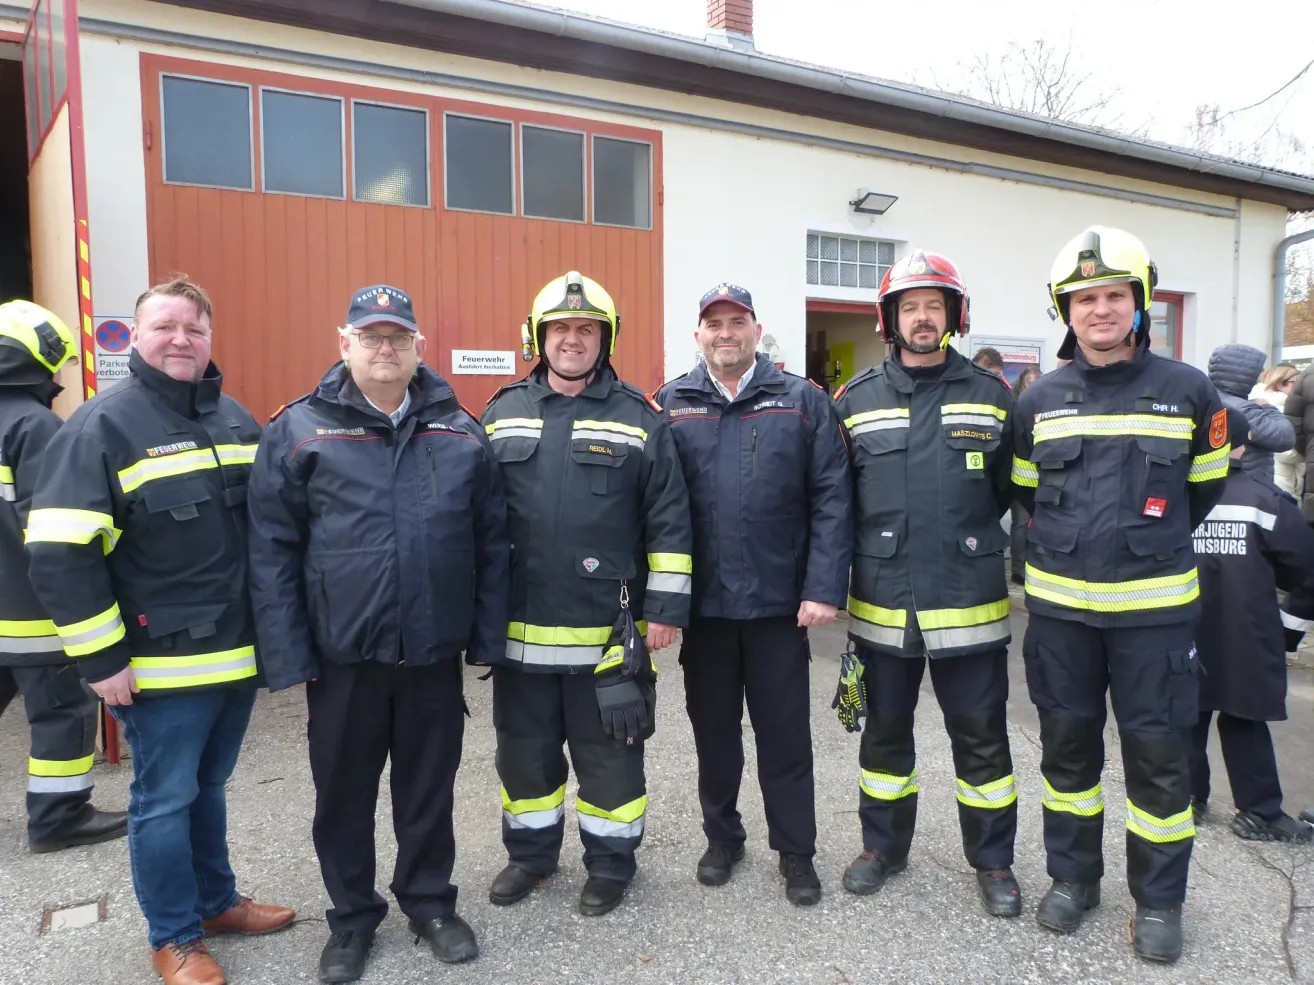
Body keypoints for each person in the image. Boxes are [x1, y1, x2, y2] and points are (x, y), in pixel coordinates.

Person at [25, 276, 294, 985]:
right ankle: (173, 935)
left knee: (207, 787)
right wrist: (102, 656)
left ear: (211, 339)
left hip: (234, 659)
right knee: (164, 798)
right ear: (135, 337)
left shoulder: (235, 419)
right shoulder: (100, 425)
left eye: (195, 329)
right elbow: (58, 550)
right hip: (156, 669)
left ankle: (213, 901)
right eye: (166, 326)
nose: (181, 339)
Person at [247, 285, 508, 983]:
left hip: (430, 653)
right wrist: (289, 653)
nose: (385, 347)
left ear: (419, 346)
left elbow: (492, 540)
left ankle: (428, 902)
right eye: (372, 336)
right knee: (343, 795)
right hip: (343, 660)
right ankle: (352, 918)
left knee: (428, 790)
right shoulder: (300, 429)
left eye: (398, 336)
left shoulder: (459, 430)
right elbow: (271, 549)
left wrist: (485, 636)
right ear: (345, 344)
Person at [1011, 226, 1229, 963]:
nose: (1098, 310)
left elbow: (1204, 490)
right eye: (1083, 299)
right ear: (1063, 312)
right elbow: (1022, 495)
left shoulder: (1189, 391)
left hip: (1155, 622)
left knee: (1159, 761)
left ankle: (1160, 900)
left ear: (1139, 304)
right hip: (1062, 621)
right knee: (1068, 760)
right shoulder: (1037, 399)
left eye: (1112, 296)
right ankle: (1074, 880)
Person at [482, 271, 692, 917]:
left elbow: (670, 519)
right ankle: (530, 856)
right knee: (525, 756)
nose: (572, 339)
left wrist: (664, 609)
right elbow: (474, 521)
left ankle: (610, 863)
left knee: (611, 760)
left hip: (609, 632)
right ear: (537, 337)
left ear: (606, 338)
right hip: (521, 632)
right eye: (561, 329)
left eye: (586, 328)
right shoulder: (500, 412)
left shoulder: (639, 416)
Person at [831, 251, 1021, 918]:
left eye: (933, 305)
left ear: (953, 316)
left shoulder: (994, 398)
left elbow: (1010, 491)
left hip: (969, 604)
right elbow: (836, 503)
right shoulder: (853, 401)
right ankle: (883, 848)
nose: (921, 317)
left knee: (982, 738)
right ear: (889, 318)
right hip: (883, 607)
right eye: (909, 306)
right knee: (883, 736)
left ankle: (994, 861)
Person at [654, 283, 852, 905]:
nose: (725, 333)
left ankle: (796, 851)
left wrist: (822, 587)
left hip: (776, 607)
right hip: (706, 610)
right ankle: (723, 838)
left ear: (755, 329)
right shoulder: (670, 404)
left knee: (784, 736)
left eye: (736, 321)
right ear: (698, 335)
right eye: (713, 323)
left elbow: (831, 496)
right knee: (714, 735)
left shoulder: (801, 402)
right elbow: (654, 506)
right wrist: (662, 603)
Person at [0, 300, 126, 853]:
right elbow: (53, 526)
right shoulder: (33, 425)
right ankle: (59, 817)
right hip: (30, 613)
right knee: (61, 712)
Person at [1187, 407, 1314, 843]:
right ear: (1244, 445)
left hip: (1178, 628)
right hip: (1247, 631)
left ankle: (1187, 800)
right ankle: (1258, 812)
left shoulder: (1175, 495)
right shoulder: (1266, 499)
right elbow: (1302, 569)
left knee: (1186, 714)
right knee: (1244, 719)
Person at [1206, 343, 1294, 479]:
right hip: (1248, 484)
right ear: (1244, 374)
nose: (1258, 377)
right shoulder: (1242, 410)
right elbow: (1284, 438)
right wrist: (1267, 408)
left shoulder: (1207, 399)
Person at [1007, 366, 1044, 585]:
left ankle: (1035, 566)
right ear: (1022, 385)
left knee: (1040, 525)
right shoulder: (1017, 407)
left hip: (1044, 480)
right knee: (1021, 524)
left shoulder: (1048, 406)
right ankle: (1018, 570)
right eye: (1031, 383)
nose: (1035, 388)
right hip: (1021, 479)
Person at [1250, 364, 1303, 498]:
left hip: (1277, 467)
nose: (1299, 386)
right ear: (1280, 384)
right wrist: (1306, 452)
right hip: (1279, 466)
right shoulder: (1277, 406)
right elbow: (1282, 447)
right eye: (1294, 383)